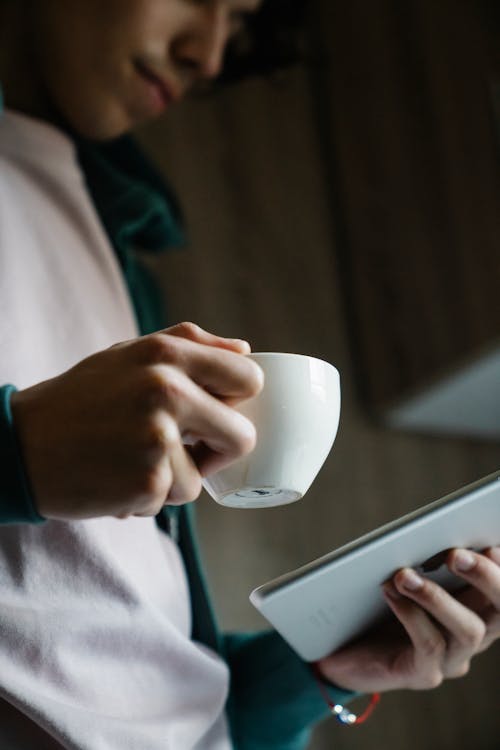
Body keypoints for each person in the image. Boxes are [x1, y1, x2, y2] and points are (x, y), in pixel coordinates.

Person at [0, 1, 498, 748]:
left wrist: (324, 673)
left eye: (238, 21)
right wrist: (17, 458)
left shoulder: (118, 240)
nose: (211, 54)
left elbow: (126, 664)